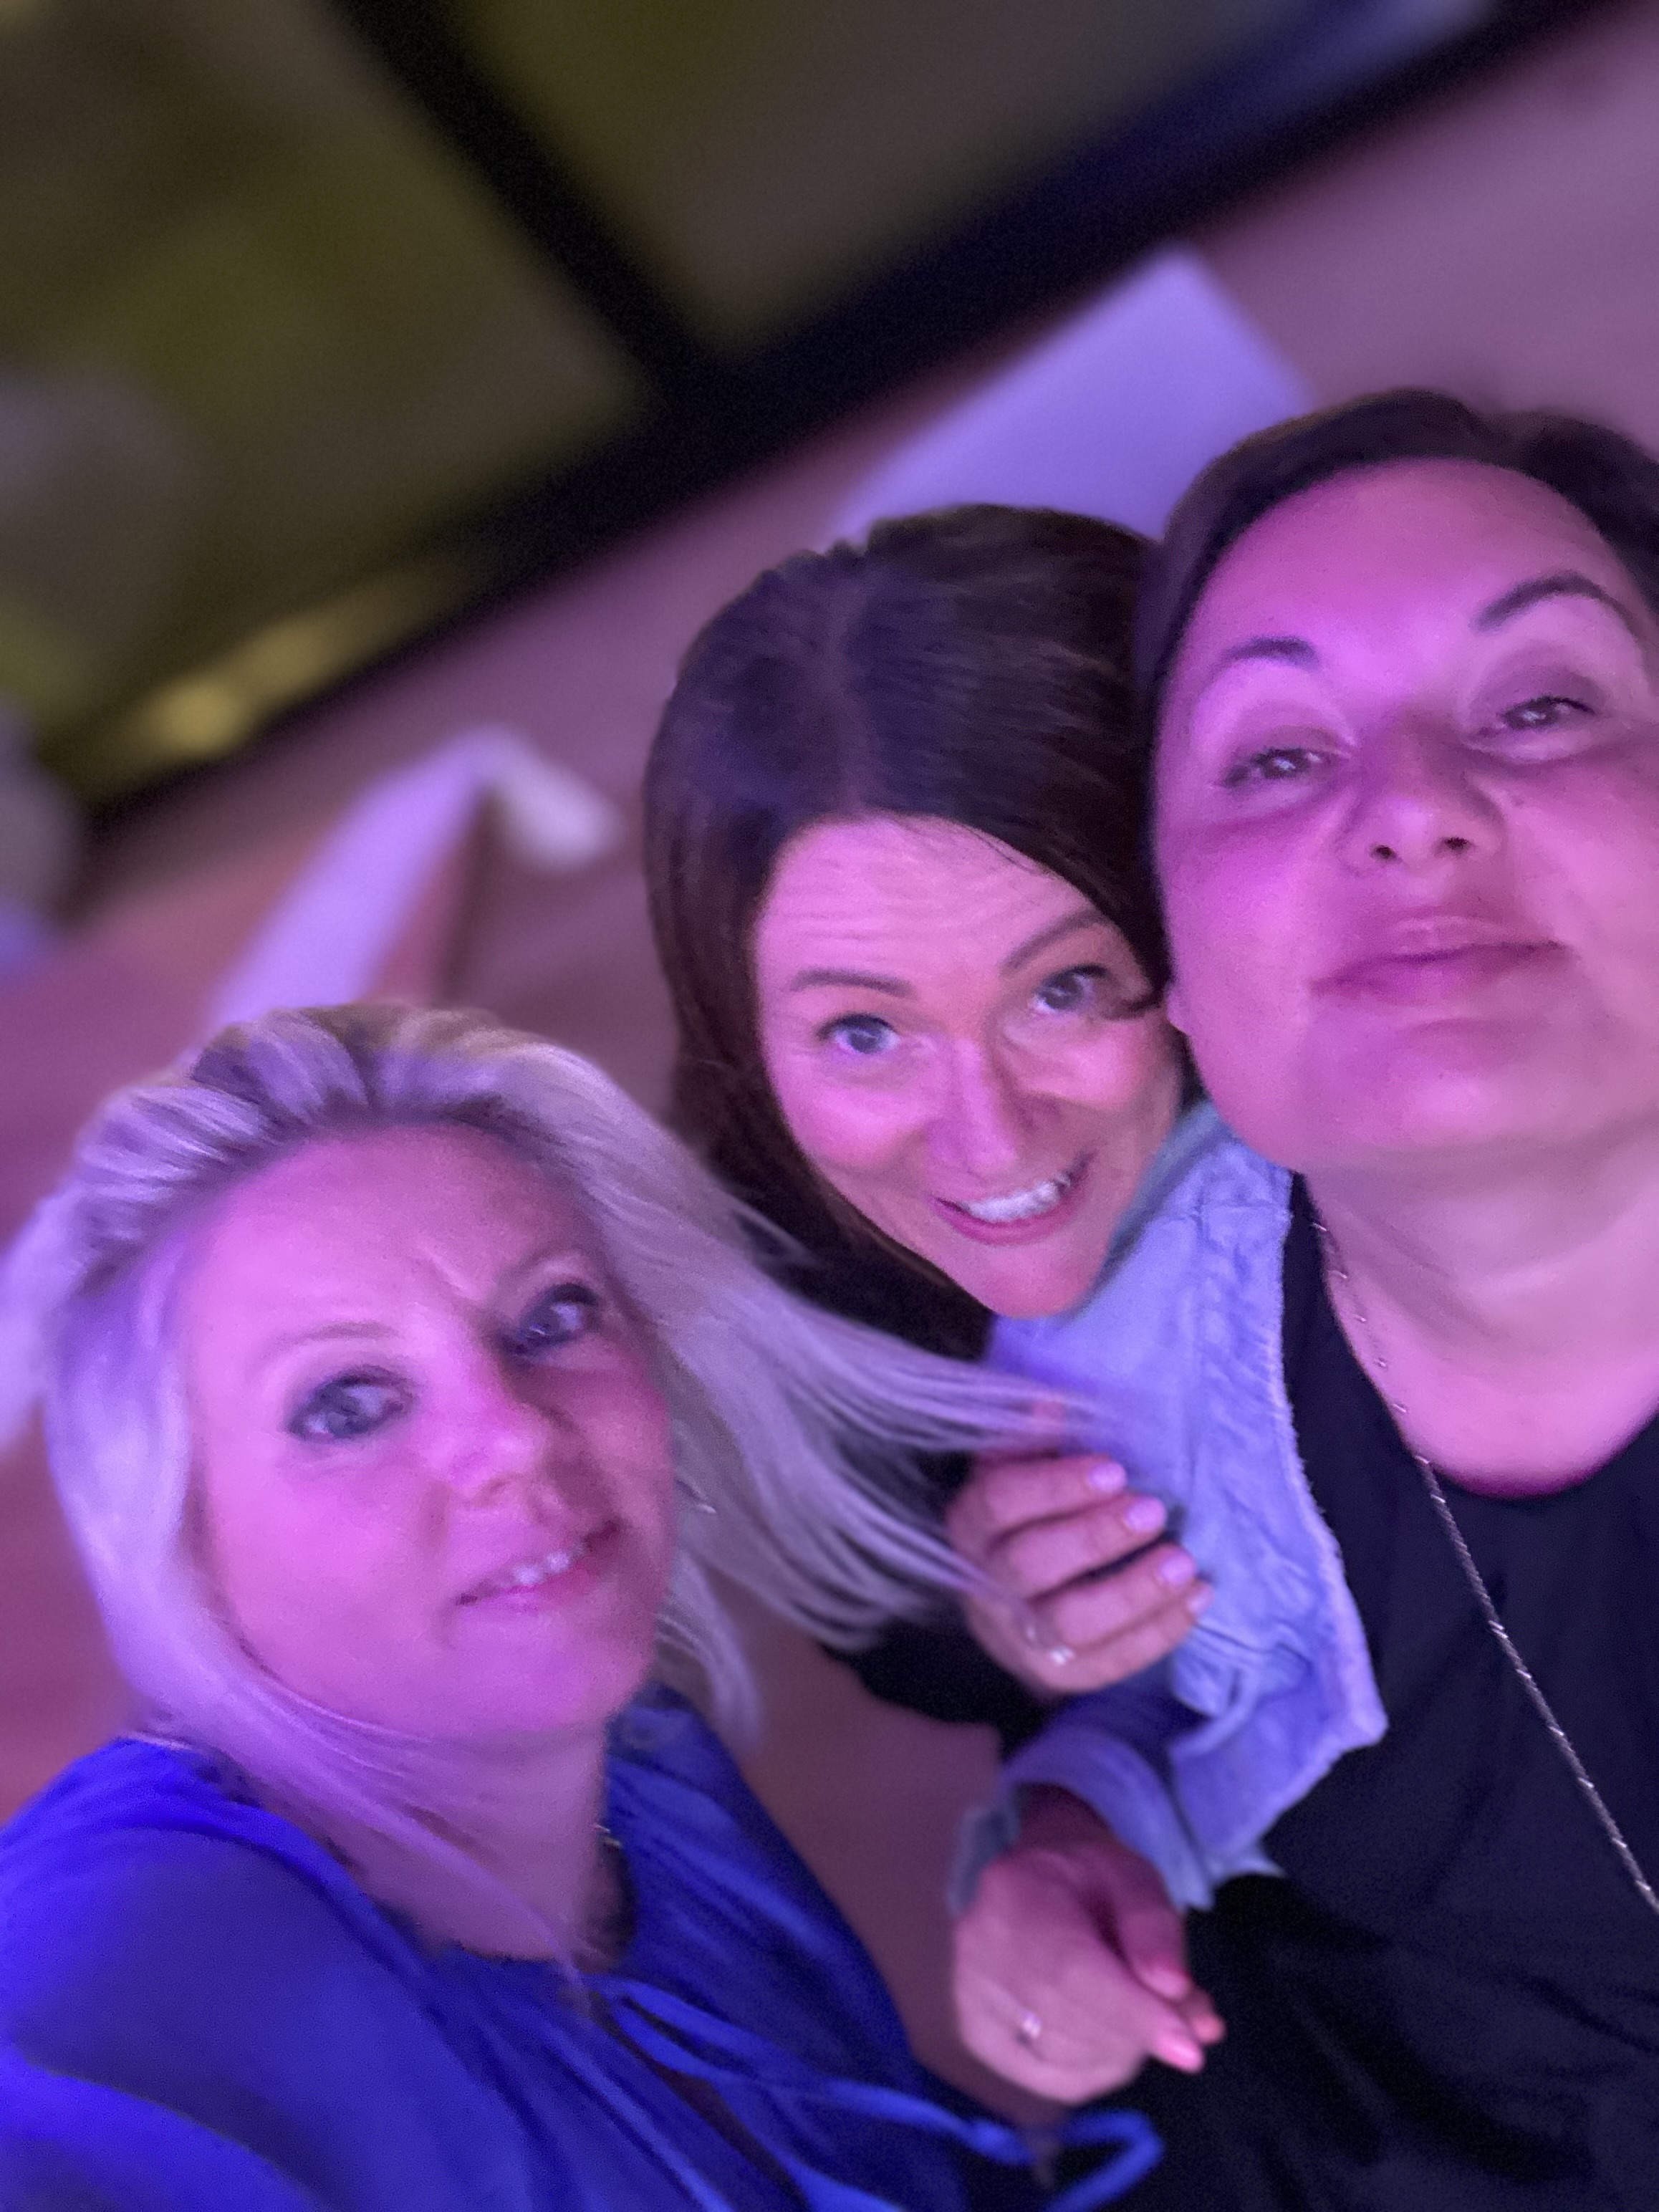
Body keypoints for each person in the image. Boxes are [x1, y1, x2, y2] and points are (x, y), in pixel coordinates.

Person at [0, 1004, 1159, 2212]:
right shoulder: (111, 1989)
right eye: (346, 1405)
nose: (515, 1434)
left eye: (551, 1320)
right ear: (183, 1544)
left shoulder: (649, 1788)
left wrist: (1084, 1809)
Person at [952, 390, 1659, 2208]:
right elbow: (1165, 1730)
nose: (1413, 808)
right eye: (1274, 756)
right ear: (1172, 968)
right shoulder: (1111, 1373)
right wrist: (1062, 1844)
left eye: (1541, 705)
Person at [645, 504, 1216, 1740]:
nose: (990, 1140)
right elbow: (885, 1636)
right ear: (742, 1033)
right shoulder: (758, 1267)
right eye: (865, 1033)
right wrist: (989, 1618)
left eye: (1063, 990)